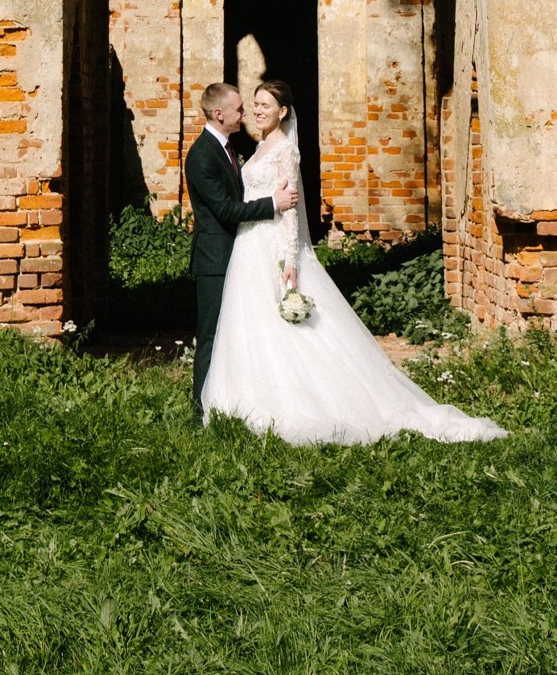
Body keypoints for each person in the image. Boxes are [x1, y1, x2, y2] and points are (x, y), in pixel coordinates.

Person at [198, 77, 505, 446]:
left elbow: (291, 211)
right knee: (249, 325)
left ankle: (301, 400)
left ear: (283, 112)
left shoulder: (284, 151)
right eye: (254, 104)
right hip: (248, 247)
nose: (256, 111)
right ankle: (240, 399)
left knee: (286, 328)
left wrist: (290, 260)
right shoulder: (259, 146)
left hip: (271, 245)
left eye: (265, 105)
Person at [184, 79, 298, 422]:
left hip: (241, 254)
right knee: (211, 337)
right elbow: (226, 211)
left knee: (239, 333)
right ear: (219, 114)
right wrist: (273, 203)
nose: (246, 114)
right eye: (240, 109)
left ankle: (235, 402)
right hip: (214, 260)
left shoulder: (227, 146)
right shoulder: (202, 155)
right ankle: (201, 411)